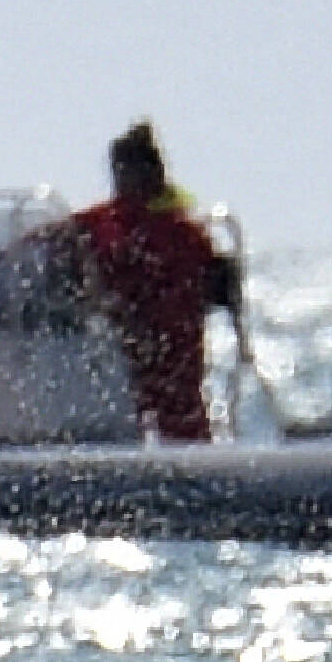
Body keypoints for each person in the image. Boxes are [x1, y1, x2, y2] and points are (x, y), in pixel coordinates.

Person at [75, 120, 239, 443]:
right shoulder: (190, 231)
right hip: (162, 364)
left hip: (150, 358)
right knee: (181, 424)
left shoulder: (117, 227)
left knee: (163, 416)